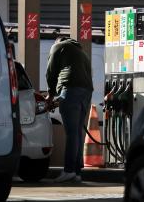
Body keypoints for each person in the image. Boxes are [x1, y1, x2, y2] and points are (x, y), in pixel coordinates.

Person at [46, 36, 93, 183]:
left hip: (70, 88)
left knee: (72, 133)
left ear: (57, 41)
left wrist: (50, 95)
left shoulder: (57, 47)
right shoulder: (81, 51)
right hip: (86, 92)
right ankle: (77, 172)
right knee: (77, 132)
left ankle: (68, 170)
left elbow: (51, 72)